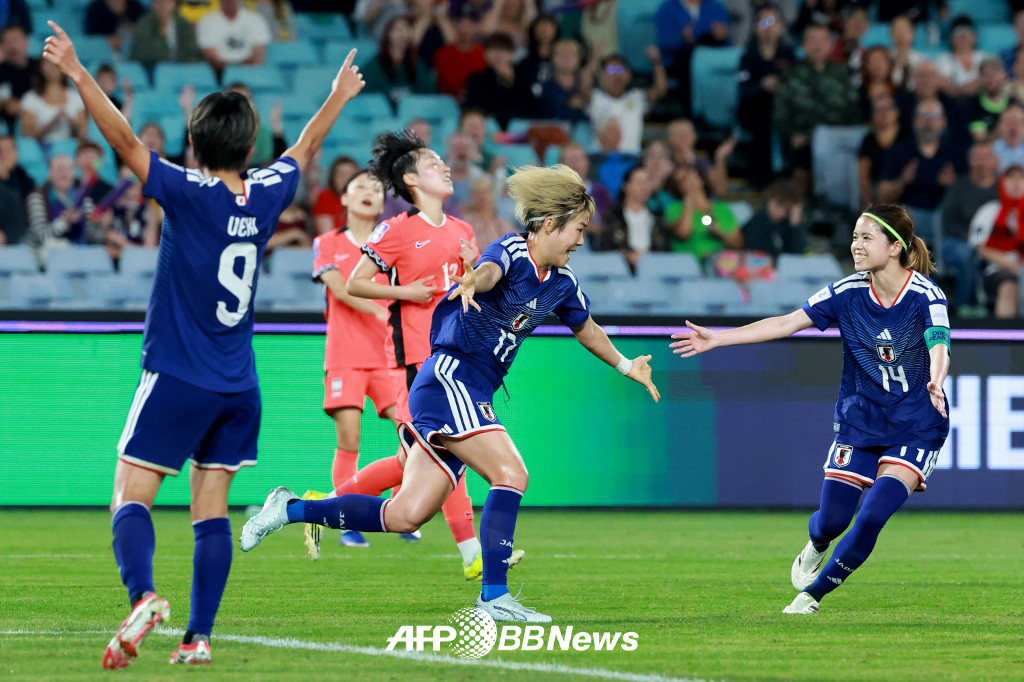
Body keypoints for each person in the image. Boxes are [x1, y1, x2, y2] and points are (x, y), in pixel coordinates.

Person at [41, 19, 366, 668]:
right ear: (249, 147)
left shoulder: (187, 194)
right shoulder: (269, 192)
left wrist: (78, 74)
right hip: (239, 385)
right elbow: (304, 148)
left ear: (193, 142)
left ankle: (143, 596)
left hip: (178, 374)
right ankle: (198, 638)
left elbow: (127, 141)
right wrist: (338, 95)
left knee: (129, 497)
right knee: (208, 510)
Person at [240, 163, 661, 623]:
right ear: (548, 224)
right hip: (451, 378)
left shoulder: (563, 284)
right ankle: (494, 597)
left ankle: (291, 509)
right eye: (577, 230)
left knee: (406, 514)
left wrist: (625, 365)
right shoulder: (513, 252)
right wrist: (470, 279)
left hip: (461, 389)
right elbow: (488, 272)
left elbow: (587, 329)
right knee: (512, 473)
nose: (580, 240)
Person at [671, 203, 951, 615]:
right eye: (855, 236)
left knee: (873, 514)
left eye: (866, 237)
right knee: (833, 521)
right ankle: (817, 543)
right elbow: (786, 323)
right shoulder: (847, 292)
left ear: (895, 247)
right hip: (860, 420)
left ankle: (811, 596)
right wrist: (719, 338)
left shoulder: (926, 294)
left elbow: (939, 343)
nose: (855, 245)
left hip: (917, 423)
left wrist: (937, 378)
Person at [304, 130, 487, 580]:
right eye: (433, 162)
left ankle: (319, 509)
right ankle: (473, 553)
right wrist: (406, 291)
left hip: (454, 358)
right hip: (415, 361)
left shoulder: (464, 230)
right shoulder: (396, 229)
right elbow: (353, 283)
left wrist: (472, 269)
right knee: (446, 450)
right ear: (410, 179)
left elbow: (471, 290)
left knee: (409, 462)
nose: (445, 166)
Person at [306, 169, 400, 551]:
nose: (368, 192)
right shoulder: (327, 242)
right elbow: (341, 289)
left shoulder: (391, 244)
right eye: (360, 186)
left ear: (382, 202)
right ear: (343, 199)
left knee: (410, 431)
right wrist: (381, 311)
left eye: (376, 189)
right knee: (350, 438)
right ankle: (346, 520)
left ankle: (399, 510)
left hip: (390, 354)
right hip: (345, 354)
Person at [773, 22, 860, 175]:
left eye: (822, 40)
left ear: (830, 44)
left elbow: (854, 109)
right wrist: (792, 134)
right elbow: (780, 114)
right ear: (803, 45)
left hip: (839, 138)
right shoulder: (790, 75)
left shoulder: (843, 73)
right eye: (812, 40)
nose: (817, 45)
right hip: (805, 140)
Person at [878, 98, 966, 245]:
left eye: (933, 117)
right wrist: (902, 181)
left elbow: (970, 195)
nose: (928, 123)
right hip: (911, 216)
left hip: (946, 218)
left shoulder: (954, 153)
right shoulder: (901, 151)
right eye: (923, 117)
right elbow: (882, 193)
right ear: (914, 121)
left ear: (943, 122)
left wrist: (953, 185)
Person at [737, 3, 795, 187]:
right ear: (755, 27)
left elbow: (796, 87)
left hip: (784, 110)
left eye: (773, 21)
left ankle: (786, 175)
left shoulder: (788, 56)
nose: (769, 27)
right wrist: (762, 86)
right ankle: (760, 179)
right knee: (762, 115)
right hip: (755, 110)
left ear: (781, 27)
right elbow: (742, 90)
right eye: (764, 22)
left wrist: (781, 88)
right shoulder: (748, 57)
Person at [940, 141, 999, 310]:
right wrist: (975, 240)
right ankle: (964, 308)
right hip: (958, 241)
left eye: (986, 157)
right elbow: (948, 223)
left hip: (995, 244)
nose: (981, 163)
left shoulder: (1002, 188)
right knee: (966, 254)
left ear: (995, 161)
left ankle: (999, 310)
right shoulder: (959, 187)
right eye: (976, 158)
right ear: (969, 161)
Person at [588, 50, 667, 154]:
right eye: (611, 70)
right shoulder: (595, 98)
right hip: (601, 158)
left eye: (620, 70)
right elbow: (582, 86)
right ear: (602, 76)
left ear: (629, 75)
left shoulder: (637, 97)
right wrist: (593, 61)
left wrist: (656, 62)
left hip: (632, 159)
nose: (616, 75)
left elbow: (660, 90)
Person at [970, 165, 1024, 318]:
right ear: (1003, 183)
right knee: (1008, 286)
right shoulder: (989, 211)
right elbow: (979, 245)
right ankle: (1006, 338)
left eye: (1021, 179)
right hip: (997, 269)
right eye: (1011, 179)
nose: (1016, 183)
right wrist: (1014, 267)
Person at [595, 164, 670, 268]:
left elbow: (665, 250)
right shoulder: (613, 217)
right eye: (639, 182)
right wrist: (627, 255)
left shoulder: (658, 217)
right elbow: (606, 248)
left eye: (647, 182)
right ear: (625, 186)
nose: (644, 187)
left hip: (654, 271)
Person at [26, 154, 104, 253]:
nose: (64, 173)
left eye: (68, 168)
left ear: (74, 173)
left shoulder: (84, 199)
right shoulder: (37, 198)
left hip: (80, 256)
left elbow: (94, 238)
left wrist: (100, 224)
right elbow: (40, 236)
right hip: (48, 257)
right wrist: (64, 222)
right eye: (59, 168)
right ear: (50, 174)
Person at [464, 32, 538, 129]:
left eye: (503, 50)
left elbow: (530, 109)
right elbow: (476, 108)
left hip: (517, 131)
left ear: (512, 54)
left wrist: (511, 81)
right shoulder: (475, 79)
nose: (498, 54)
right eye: (492, 50)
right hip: (487, 129)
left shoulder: (523, 78)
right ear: (484, 54)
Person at [362, 15, 436, 111]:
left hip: (413, 117)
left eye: (407, 29)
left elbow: (428, 95)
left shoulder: (417, 64)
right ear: (388, 33)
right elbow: (368, 99)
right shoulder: (374, 66)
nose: (403, 34)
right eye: (398, 30)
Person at [19, 59, 86, 145]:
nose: (52, 68)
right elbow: (27, 136)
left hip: (70, 149)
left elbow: (83, 136)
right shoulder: (30, 98)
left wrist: (71, 124)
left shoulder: (76, 98)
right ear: (41, 67)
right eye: (47, 64)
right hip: (41, 149)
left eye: (56, 64)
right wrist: (52, 123)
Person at [740, 177, 807, 259]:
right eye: (780, 205)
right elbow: (756, 256)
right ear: (771, 202)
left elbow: (797, 256)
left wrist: (795, 223)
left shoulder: (787, 224)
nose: (782, 213)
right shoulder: (756, 224)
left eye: (787, 210)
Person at [197, 0, 272, 71]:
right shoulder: (207, 21)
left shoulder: (256, 19)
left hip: (250, 71)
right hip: (220, 72)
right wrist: (232, 70)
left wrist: (240, 68)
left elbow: (258, 55)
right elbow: (211, 57)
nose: (230, 1)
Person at [858, 92, 903, 207]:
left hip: (903, 195)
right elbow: (863, 179)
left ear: (897, 112)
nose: (884, 113)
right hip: (876, 196)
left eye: (889, 107)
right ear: (872, 115)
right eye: (878, 109)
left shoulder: (906, 138)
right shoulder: (868, 140)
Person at [130, 0, 202, 71]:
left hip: (182, 69)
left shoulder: (184, 25)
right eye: (159, 2)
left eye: (167, 2)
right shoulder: (144, 24)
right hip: (151, 69)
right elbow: (140, 54)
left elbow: (191, 52)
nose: (163, 6)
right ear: (153, 4)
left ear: (174, 4)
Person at [432, 8, 486, 99]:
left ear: (477, 27)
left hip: (477, 102)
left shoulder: (484, 54)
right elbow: (444, 83)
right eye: (461, 23)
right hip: (447, 103)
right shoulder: (442, 54)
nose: (465, 29)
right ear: (455, 25)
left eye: (470, 24)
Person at [539, 38, 595, 124]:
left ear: (579, 59)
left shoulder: (588, 85)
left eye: (572, 54)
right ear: (552, 58)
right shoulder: (544, 88)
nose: (566, 58)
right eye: (561, 54)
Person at [935, 15, 988, 99]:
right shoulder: (943, 60)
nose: (963, 38)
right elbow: (945, 87)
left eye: (966, 33)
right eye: (958, 34)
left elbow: (991, 81)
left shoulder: (985, 58)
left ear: (975, 36)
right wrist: (969, 88)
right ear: (951, 38)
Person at [0, 25, 38, 133]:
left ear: (26, 42)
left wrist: (23, 107)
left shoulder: (40, 67)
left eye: (16, 40)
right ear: (2, 45)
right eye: (8, 41)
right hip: (8, 127)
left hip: (40, 118)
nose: (13, 46)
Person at [962, 57, 1010, 138]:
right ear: (980, 78)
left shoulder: (1014, 102)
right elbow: (979, 138)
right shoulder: (973, 104)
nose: (990, 78)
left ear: (1003, 74)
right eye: (985, 74)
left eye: (994, 73)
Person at [462, 174, 514, 247]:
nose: (483, 196)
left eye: (486, 192)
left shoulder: (504, 223)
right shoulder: (467, 223)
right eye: (478, 193)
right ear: (472, 197)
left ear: (493, 195)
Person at [311, 155, 358, 234]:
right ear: (333, 178)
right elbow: (327, 235)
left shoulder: (363, 199)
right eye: (340, 174)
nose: (345, 178)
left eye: (349, 174)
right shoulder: (325, 197)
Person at [889, 14, 922, 90]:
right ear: (891, 34)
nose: (901, 34)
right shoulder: (885, 57)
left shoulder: (920, 60)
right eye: (897, 30)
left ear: (913, 34)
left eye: (904, 30)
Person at [992, 102, 1024, 172]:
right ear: (999, 127)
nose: (1013, 128)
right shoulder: (991, 151)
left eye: (1017, 123)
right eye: (1009, 123)